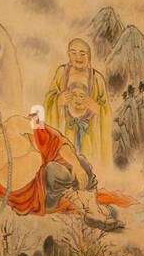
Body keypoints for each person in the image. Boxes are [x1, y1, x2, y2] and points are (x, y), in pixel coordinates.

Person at [0, 99, 129, 222]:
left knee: (80, 162)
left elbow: (53, 138)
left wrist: (76, 165)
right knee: (55, 171)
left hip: (49, 178)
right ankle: (84, 205)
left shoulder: (17, 123)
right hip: (31, 198)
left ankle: (90, 206)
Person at [43, 38, 110, 167]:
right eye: (74, 53)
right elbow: (48, 101)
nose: (78, 57)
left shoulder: (97, 79)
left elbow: (106, 112)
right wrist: (58, 100)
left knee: (89, 166)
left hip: (89, 136)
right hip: (65, 130)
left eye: (82, 53)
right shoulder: (61, 73)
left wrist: (95, 107)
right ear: (68, 55)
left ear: (89, 56)